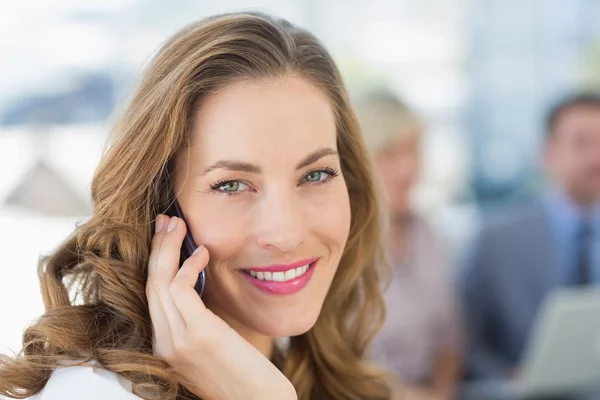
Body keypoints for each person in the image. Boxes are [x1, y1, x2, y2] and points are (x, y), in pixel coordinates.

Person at [0, 13, 397, 400]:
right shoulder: (93, 391)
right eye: (232, 185)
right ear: (159, 206)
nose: (287, 233)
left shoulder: (308, 370)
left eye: (315, 175)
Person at [461, 94, 600, 385]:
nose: (595, 157)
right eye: (581, 143)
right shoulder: (496, 240)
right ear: (547, 153)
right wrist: (507, 378)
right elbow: (465, 344)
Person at [356, 91, 463, 399]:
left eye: (414, 151)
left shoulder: (427, 232)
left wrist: (441, 393)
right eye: (389, 155)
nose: (408, 169)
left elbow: (450, 339)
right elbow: (342, 362)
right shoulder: (342, 244)